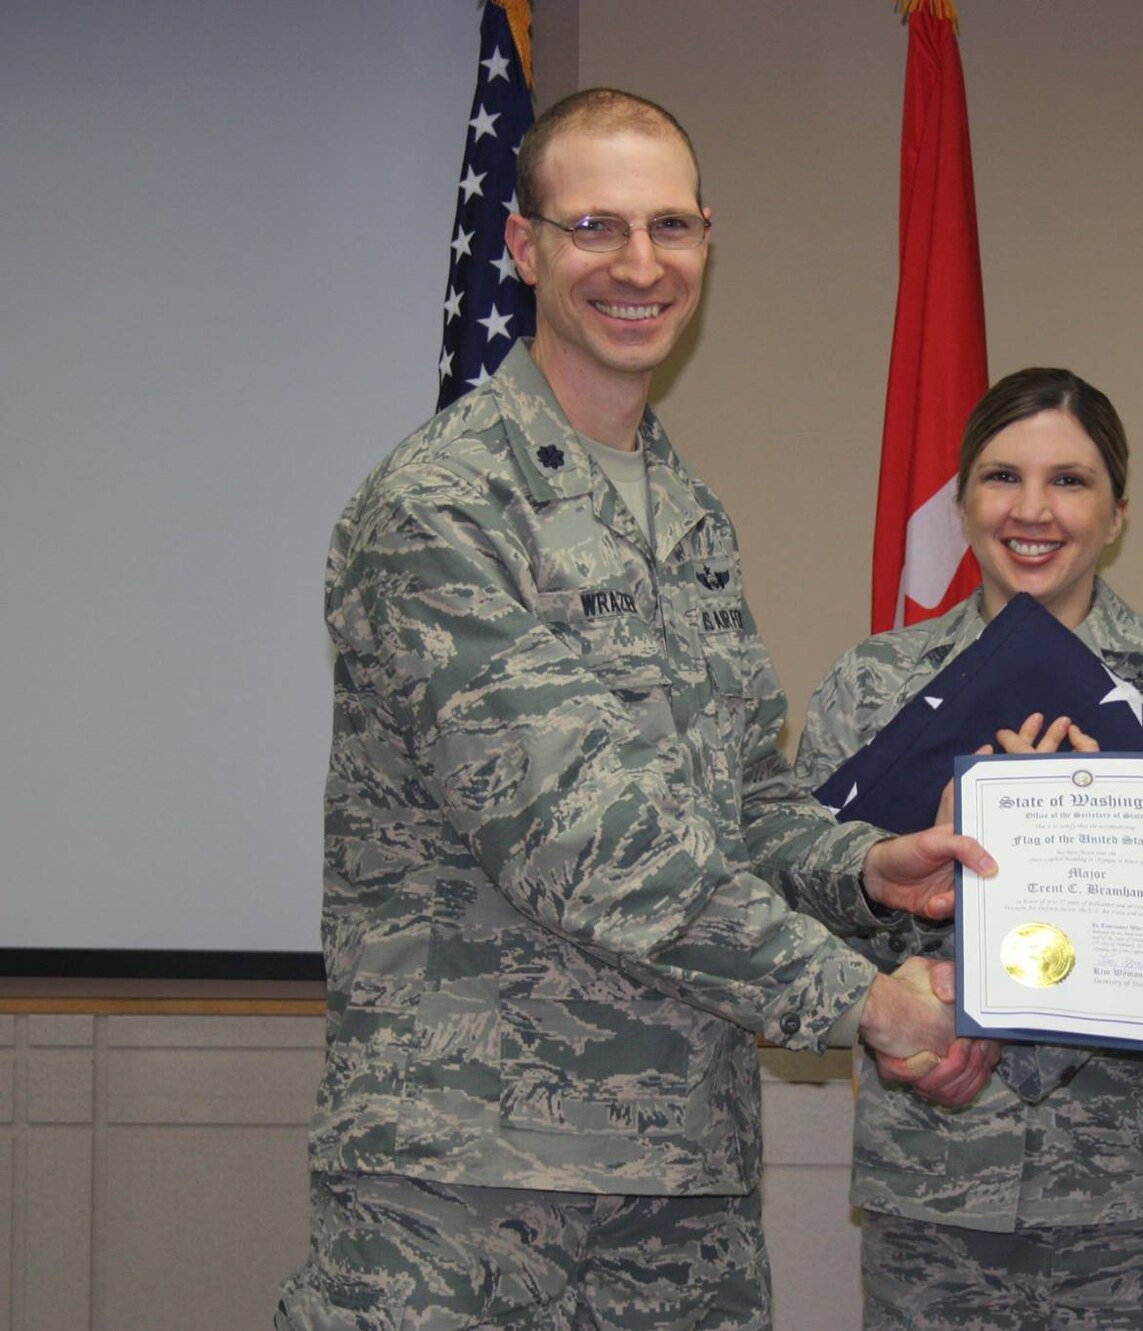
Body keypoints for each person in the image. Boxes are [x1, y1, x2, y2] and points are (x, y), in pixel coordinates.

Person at [276, 88, 990, 1331]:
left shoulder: (683, 511)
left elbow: (739, 798)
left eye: (671, 227)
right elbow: (588, 840)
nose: (639, 264)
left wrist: (870, 869)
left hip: (681, 1179)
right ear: (524, 247)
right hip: (469, 1181)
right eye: (597, 225)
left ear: (708, 241)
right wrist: (864, 999)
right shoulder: (443, 505)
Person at [794, 367, 1143, 1329]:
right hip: (939, 1186)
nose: (1033, 510)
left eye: (1071, 481)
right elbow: (799, 907)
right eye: (1002, 477)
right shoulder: (875, 688)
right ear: (961, 503)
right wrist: (909, 978)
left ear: (1119, 512)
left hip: (1142, 1196)